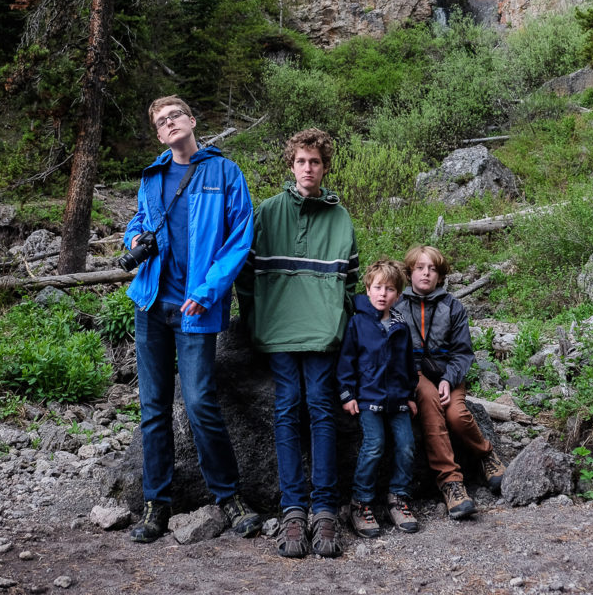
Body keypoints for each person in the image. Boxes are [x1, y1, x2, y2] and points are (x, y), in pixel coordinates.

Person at [123, 95, 260, 543]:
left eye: (174, 116)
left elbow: (239, 239)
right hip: (152, 305)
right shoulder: (153, 175)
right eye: (161, 122)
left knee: (200, 402)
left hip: (195, 307)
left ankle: (229, 496)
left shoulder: (224, 172)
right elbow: (139, 223)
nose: (168, 124)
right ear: (159, 135)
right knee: (153, 408)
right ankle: (155, 505)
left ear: (192, 121)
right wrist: (136, 237)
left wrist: (207, 292)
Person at [237, 128, 359, 559]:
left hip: (323, 336)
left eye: (316, 162)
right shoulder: (268, 212)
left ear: (325, 167)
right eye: (301, 161)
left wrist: (338, 323)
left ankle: (324, 509)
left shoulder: (340, 218)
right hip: (278, 333)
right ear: (291, 165)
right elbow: (246, 276)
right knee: (287, 410)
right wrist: (255, 322)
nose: (308, 169)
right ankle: (293, 511)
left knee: (322, 411)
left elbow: (351, 281)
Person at [393, 245, 505, 519]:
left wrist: (448, 379)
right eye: (420, 267)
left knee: (456, 414)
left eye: (432, 269)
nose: (426, 273)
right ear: (410, 272)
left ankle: (486, 454)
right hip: (414, 374)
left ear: (440, 276)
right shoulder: (397, 306)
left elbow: (462, 353)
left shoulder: (452, 307)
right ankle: (451, 482)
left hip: (448, 374)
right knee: (431, 404)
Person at [336, 258, 419, 538]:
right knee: (375, 445)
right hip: (368, 399)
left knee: (406, 445)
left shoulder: (401, 326)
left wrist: (409, 395)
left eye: (390, 289)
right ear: (368, 289)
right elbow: (346, 362)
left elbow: (408, 365)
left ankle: (398, 499)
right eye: (378, 287)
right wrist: (347, 394)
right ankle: (361, 503)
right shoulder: (357, 323)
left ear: (398, 294)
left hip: (397, 400)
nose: (383, 294)